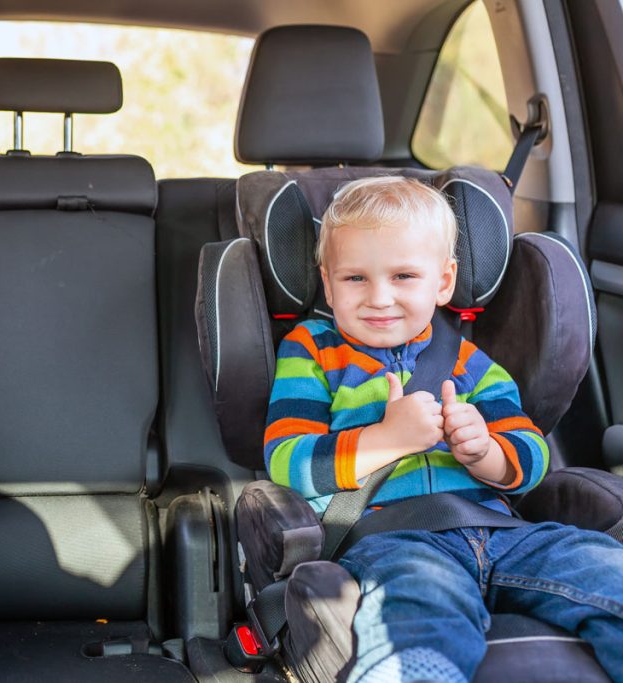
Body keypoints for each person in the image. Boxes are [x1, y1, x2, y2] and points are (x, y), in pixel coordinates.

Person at [265, 176, 623, 683]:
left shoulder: (470, 362)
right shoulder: (312, 351)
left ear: (444, 281)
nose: (380, 298)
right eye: (355, 279)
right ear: (327, 283)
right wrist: (386, 441)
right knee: (420, 609)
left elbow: (531, 452)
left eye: (404, 276)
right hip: (396, 538)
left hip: (505, 534)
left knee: (601, 568)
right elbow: (288, 458)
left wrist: (485, 453)